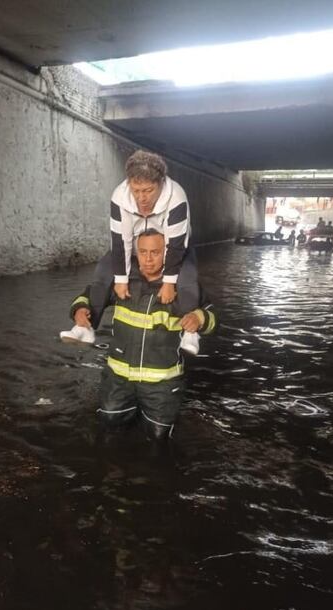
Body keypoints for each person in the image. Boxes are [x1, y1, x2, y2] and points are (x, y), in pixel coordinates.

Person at [67, 230, 216, 444]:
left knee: (158, 438)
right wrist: (80, 310)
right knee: (109, 425)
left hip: (162, 385)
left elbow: (213, 316)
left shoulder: (183, 287)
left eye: (155, 252)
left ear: (167, 254)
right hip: (119, 380)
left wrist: (199, 318)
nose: (147, 259)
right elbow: (89, 295)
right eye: (143, 251)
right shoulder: (121, 282)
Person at [60, 150, 202, 355]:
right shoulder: (119, 196)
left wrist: (169, 282)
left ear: (161, 183)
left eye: (148, 190)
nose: (141, 198)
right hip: (137, 246)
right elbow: (119, 242)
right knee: (102, 273)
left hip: (172, 247)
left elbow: (176, 245)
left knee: (187, 280)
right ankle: (86, 328)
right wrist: (120, 279)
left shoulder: (177, 196)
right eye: (136, 190)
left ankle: (190, 334)